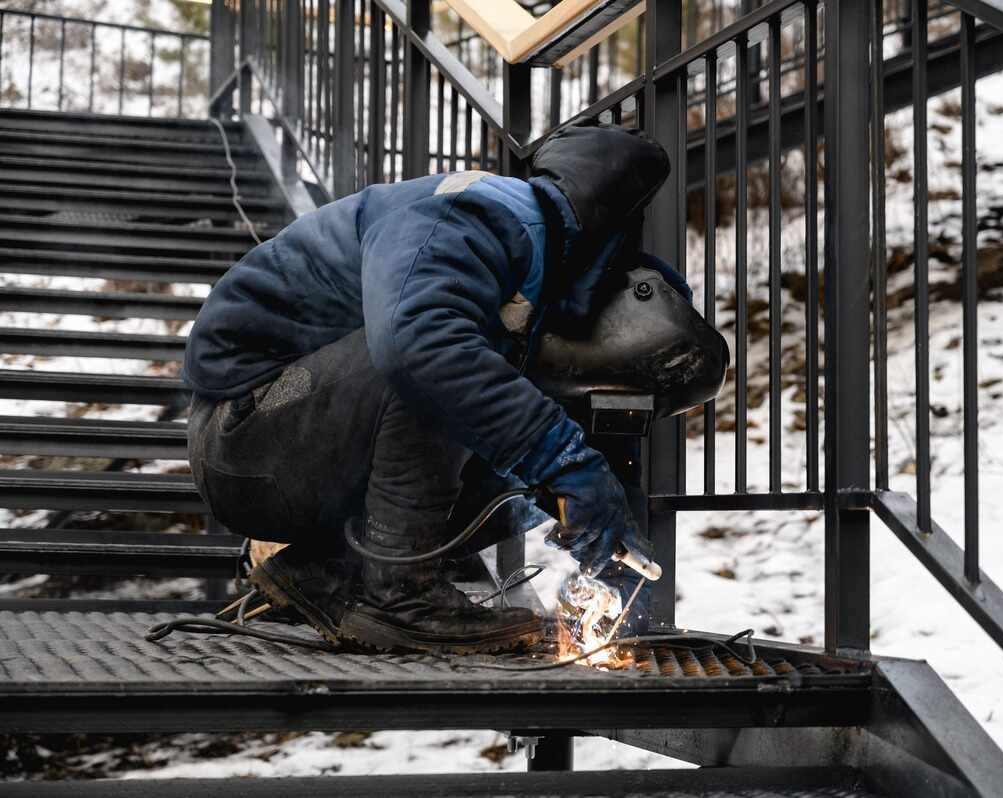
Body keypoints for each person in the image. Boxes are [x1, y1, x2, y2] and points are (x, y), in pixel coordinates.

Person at [183, 122, 670, 654]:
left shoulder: (528, 271)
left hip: (293, 439)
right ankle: (401, 596)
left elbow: (536, 446)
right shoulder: (471, 215)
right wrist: (569, 463)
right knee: (441, 365)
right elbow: (417, 347)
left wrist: (595, 517)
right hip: (245, 431)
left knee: (506, 463)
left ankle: (324, 572)